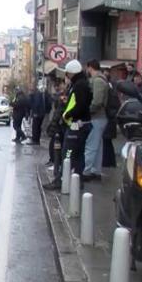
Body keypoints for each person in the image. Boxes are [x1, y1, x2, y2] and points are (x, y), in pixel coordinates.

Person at [44, 60, 92, 190]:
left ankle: (60, 180)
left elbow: (80, 105)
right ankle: (77, 180)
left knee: (68, 154)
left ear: (72, 73)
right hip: (81, 124)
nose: (67, 76)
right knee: (78, 155)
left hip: (76, 125)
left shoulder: (79, 86)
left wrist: (67, 114)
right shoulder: (81, 84)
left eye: (68, 73)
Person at [82, 59, 109, 182]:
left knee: (91, 145)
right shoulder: (102, 79)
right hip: (100, 117)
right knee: (97, 146)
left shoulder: (98, 81)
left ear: (90, 67)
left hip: (96, 117)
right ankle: (95, 171)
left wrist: (87, 111)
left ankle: (86, 171)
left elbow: (97, 101)